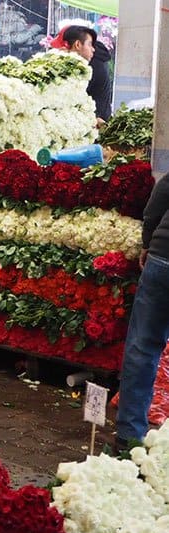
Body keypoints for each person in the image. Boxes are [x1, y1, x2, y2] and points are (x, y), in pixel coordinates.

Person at [115, 174, 169, 450]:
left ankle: (128, 435)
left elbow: (159, 199)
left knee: (143, 346)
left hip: (163, 257)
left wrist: (148, 242)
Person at [50, 25, 113, 123]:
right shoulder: (93, 60)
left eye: (61, 48)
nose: (59, 52)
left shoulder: (90, 65)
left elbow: (71, 100)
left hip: (94, 123)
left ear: (77, 45)